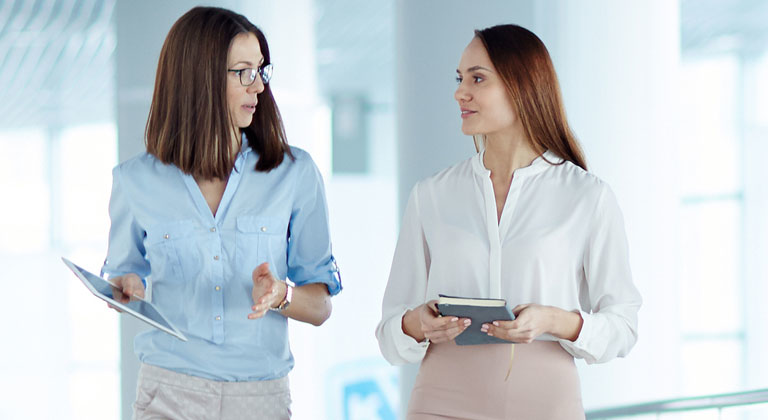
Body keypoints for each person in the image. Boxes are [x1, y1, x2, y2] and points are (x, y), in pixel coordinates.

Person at [375, 24, 642, 420]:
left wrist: (554, 319)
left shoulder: (587, 196)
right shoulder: (431, 194)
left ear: (522, 87)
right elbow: (389, 332)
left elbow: (623, 326)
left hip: (546, 403)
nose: (460, 92)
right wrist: (418, 323)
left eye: (477, 78)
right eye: (460, 78)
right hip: (440, 401)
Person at [101, 7, 341, 420]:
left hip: (260, 397)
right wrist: (125, 288)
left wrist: (280, 294)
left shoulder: (294, 173)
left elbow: (320, 307)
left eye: (261, 71)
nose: (259, 87)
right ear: (200, 77)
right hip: (168, 392)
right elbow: (125, 278)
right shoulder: (134, 180)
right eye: (243, 72)